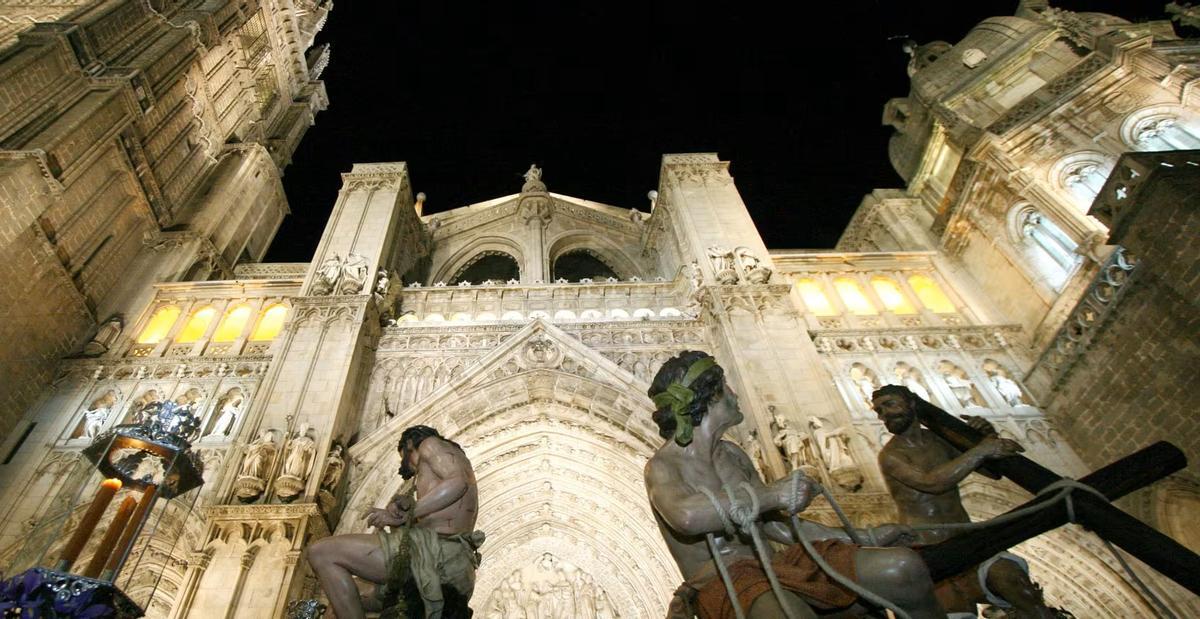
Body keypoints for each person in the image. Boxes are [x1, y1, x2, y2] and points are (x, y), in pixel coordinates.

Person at [645, 351, 944, 619]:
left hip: (779, 565)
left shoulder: (733, 455)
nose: (735, 395)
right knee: (786, 613)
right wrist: (773, 494)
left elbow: (774, 526)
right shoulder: (664, 466)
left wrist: (866, 535)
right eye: (727, 387)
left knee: (904, 568)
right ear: (709, 396)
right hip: (726, 581)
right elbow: (686, 516)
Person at [872, 384, 1060, 618]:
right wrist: (981, 449)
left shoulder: (939, 440)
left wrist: (984, 438)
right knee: (956, 613)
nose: (884, 414)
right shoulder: (890, 455)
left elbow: (992, 473)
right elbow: (933, 483)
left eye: (889, 404)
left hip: (967, 538)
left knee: (1020, 589)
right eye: (879, 410)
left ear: (912, 403)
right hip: (927, 550)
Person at [307, 426, 484, 619]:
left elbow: (458, 483)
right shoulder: (443, 463)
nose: (407, 467)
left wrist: (407, 514)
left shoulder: (430, 444)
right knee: (339, 604)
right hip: (447, 564)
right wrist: (406, 512)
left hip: (436, 553)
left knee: (322, 552)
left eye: (405, 459)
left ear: (409, 445)